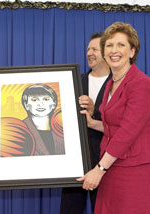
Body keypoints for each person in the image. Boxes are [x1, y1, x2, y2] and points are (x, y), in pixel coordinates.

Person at [78, 22, 150, 213]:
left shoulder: (141, 84)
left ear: (132, 51)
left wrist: (99, 169)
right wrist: (93, 123)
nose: (114, 50)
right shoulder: (112, 83)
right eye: (109, 45)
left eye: (121, 45)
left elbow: (127, 133)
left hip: (132, 171)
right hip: (111, 168)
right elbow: (113, 127)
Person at [60, 32, 111, 213]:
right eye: (88, 49)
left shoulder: (119, 83)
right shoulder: (72, 82)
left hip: (107, 165)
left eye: (94, 49)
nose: (89, 53)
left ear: (107, 53)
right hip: (75, 163)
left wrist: (93, 112)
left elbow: (122, 124)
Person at [21, 84, 65, 155]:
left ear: (54, 104)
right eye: (34, 100)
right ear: (26, 105)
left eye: (46, 99)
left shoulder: (62, 126)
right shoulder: (20, 129)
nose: (41, 104)